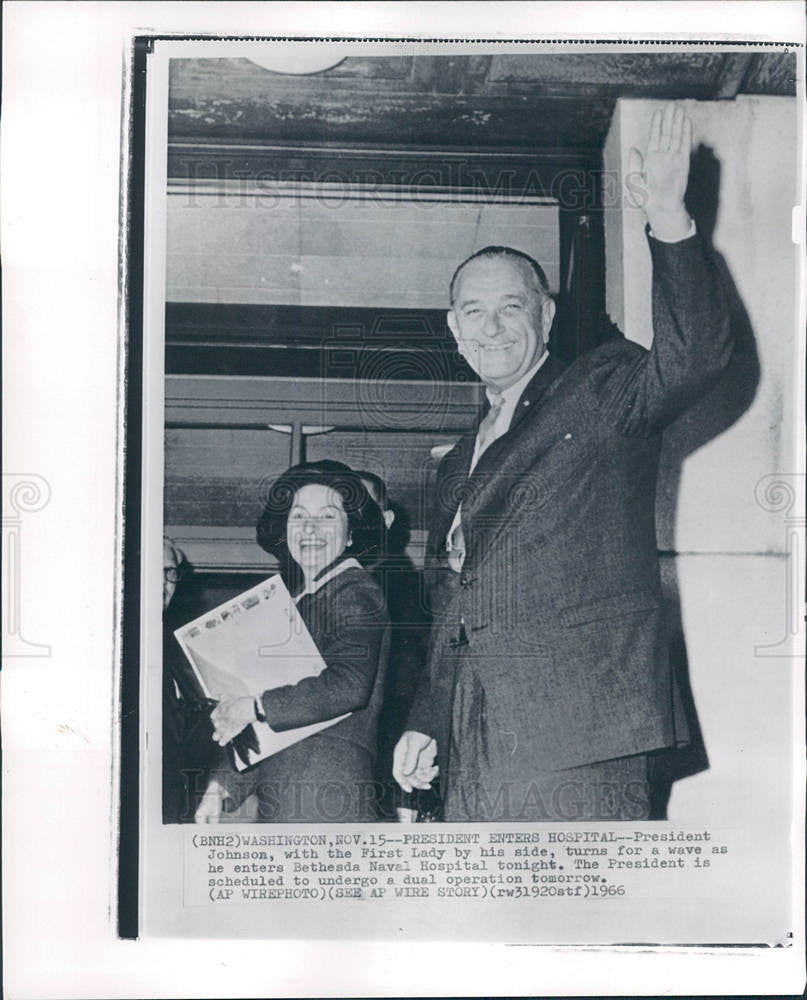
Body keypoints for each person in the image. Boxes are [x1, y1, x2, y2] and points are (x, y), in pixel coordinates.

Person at [393, 103, 732, 822]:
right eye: (472, 313)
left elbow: (692, 358)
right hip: (472, 731)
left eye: (510, 309)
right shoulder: (454, 462)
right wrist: (426, 716)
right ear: (452, 330)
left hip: (581, 727)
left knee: (583, 922)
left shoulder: (598, 390)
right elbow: (454, 600)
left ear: (545, 316)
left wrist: (669, 219)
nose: (491, 328)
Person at [195, 461, 389, 823]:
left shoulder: (355, 589)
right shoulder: (299, 603)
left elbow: (349, 684)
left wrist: (251, 706)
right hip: (287, 790)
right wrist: (222, 785)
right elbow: (273, 712)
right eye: (298, 516)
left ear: (351, 534)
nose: (310, 528)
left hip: (327, 789)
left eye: (328, 516)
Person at [356, 470, 432, 820]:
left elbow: (410, 687)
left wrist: (405, 797)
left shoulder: (401, 589)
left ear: (385, 520)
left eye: (361, 508)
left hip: (386, 773)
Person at [162, 537, 217, 822]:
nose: (161, 583)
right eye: (149, 569)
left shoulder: (168, 654)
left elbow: (181, 743)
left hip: (175, 812)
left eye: (169, 572)